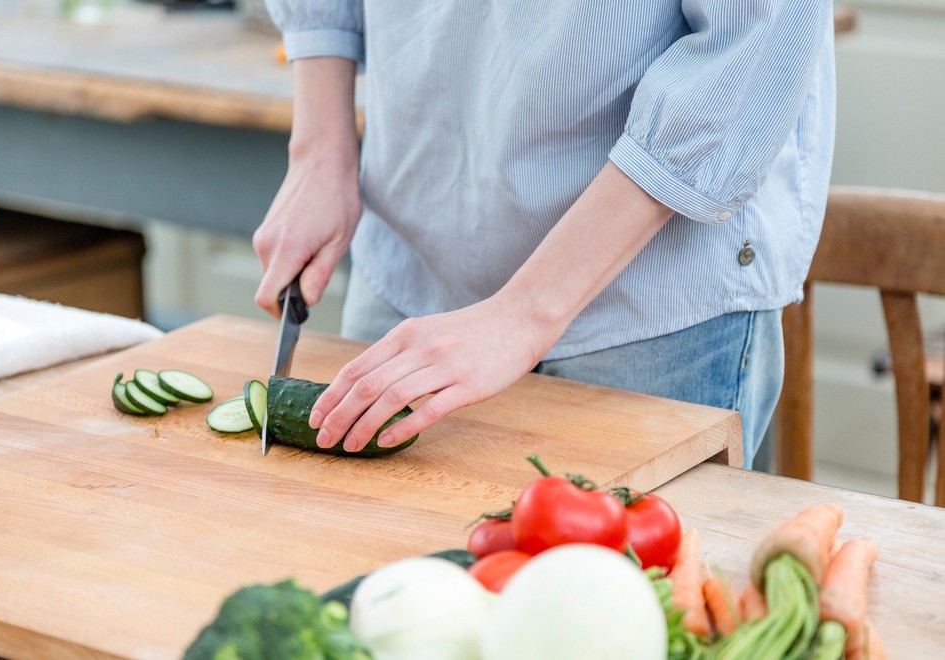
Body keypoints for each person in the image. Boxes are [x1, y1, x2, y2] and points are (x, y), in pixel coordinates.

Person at [253, 1, 835, 470]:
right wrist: (318, 150)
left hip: (646, 305)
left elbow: (750, 52)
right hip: (414, 258)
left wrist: (524, 311)